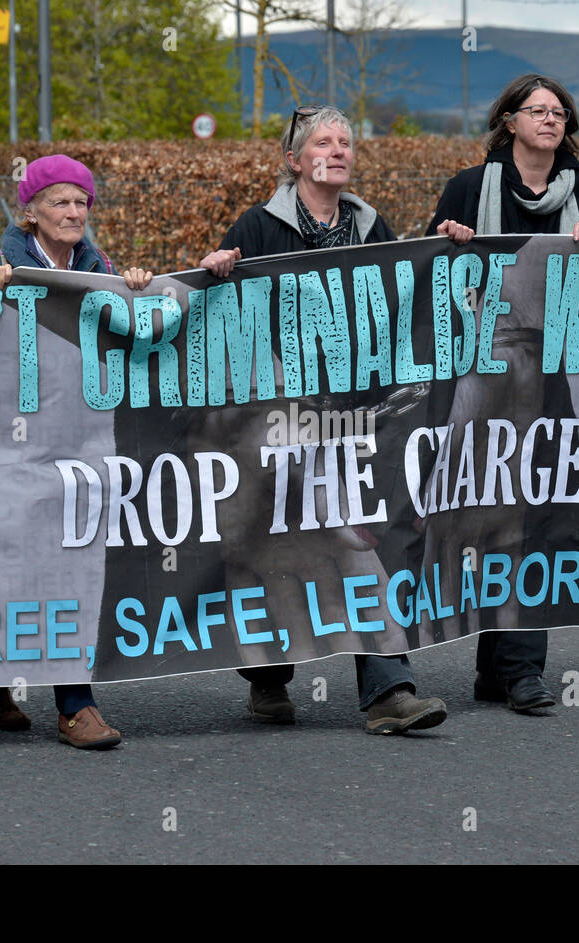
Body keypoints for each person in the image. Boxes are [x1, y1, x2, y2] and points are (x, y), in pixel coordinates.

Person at [200, 105, 448, 735]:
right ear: (293, 160)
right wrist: (217, 270)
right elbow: (221, 316)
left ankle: (389, 687)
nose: (337, 151)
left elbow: (403, 297)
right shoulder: (257, 226)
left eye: (346, 142)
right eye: (323, 143)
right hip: (275, 416)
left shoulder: (371, 226)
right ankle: (268, 675)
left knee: (357, 539)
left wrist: (448, 251)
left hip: (354, 419)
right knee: (268, 541)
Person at [425, 73, 579, 714]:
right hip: (479, 373)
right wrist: (449, 248)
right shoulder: (469, 188)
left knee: (543, 514)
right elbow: (426, 277)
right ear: (509, 121)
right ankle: (495, 665)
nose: (551, 120)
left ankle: (525, 668)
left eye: (560, 112)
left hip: (549, 378)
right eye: (538, 110)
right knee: (486, 511)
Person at [0, 153, 151, 749]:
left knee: (72, 560)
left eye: (81, 202)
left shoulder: (96, 267)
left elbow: (123, 330)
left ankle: (76, 705)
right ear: (30, 214)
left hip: (78, 441)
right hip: (13, 443)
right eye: (59, 202)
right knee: (10, 564)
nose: (74, 211)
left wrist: (132, 290)